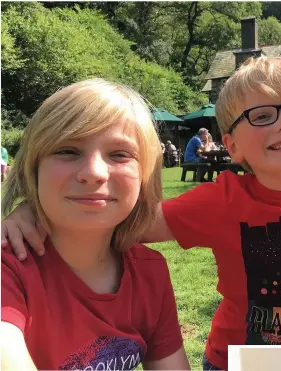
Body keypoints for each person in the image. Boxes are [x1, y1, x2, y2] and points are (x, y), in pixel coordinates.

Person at [1, 57, 281, 370]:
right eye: (262, 115)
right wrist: (34, 211)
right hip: (240, 362)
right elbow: (130, 221)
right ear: (231, 146)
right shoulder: (219, 201)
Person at [0, 79, 190, 370]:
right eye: (68, 150)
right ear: (34, 168)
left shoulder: (149, 271)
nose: (93, 172)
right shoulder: (8, 269)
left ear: (145, 176)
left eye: (119, 154)